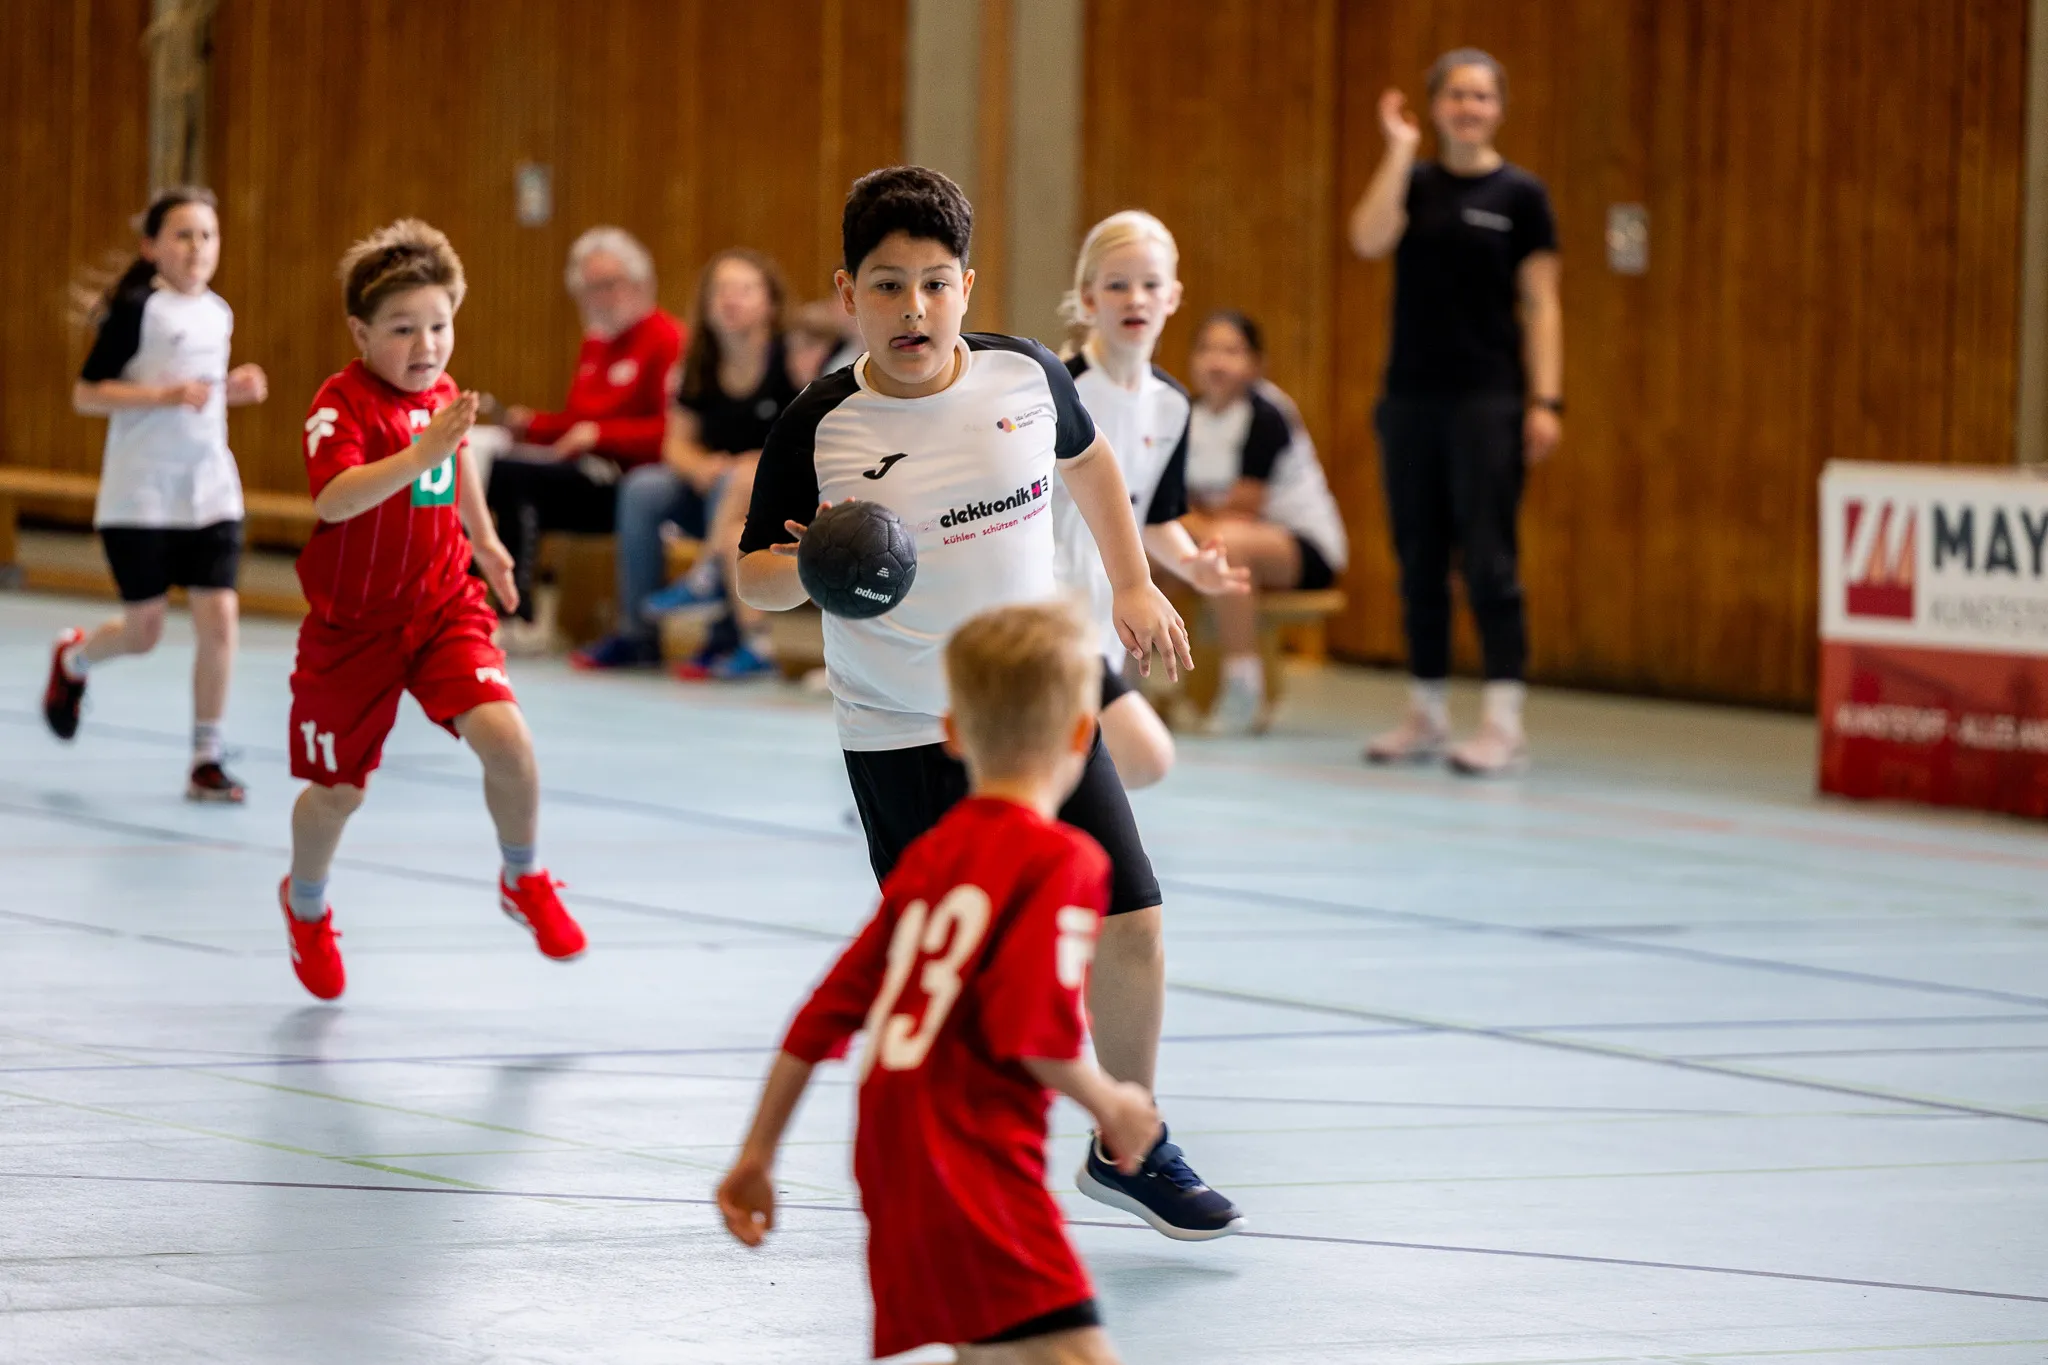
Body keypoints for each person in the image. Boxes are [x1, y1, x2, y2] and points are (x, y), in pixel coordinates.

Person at [738, 166, 1243, 1241]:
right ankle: (951, 1167)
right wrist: (817, 565)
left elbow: (1091, 465)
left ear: (966, 285)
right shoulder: (818, 424)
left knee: (1132, 919)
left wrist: (1134, 579)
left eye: (932, 284)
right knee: (949, 977)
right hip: (905, 730)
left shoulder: (1023, 377)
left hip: (1036, 711)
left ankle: (1130, 1144)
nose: (911, 309)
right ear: (846, 293)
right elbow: (750, 578)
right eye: (885, 287)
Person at [718, 601, 1160, 1364]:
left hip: (888, 1149)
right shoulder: (1064, 859)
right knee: (1076, 1352)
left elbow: (817, 1020)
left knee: (984, 1346)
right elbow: (1030, 1026)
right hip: (974, 1151)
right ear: (1083, 737)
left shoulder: (927, 861)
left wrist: (757, 1153)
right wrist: (1112, 1101)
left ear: (952, 732)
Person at [279, 219, 586, 1001]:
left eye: (440, 326)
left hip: (442, 605)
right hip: (354, 631)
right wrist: (417, 454)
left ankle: (524, 876)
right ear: (360, 331)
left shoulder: (443, 394)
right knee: (338, 794)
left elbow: (454, 463)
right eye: (403, 329)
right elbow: (336, 498)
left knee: (509, 741)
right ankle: (305, 905)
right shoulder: (339, 406)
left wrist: (484, 542)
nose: (426, 346)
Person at [1348, 48, 1562, 775]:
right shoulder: (1412, 183)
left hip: (1489, 400)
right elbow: (1367, 237)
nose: (1468, 107)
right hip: (1410, 399)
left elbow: (1542, 303)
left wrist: (1546, 399)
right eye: (1455, 96)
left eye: (1481, 96)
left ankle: (1504, 719)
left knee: (1491, 559)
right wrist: (1399, 150)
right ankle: (1427, 711)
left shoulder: (1521, 197)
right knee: (1419, 558)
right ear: (1435, 106)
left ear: (1499, 107)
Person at [46, 186, 268, 802]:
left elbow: (202, 390)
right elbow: (87, 393)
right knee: (145, 633)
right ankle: (74, 660)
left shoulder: (219, 313)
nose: (197, 247)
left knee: (219, 617)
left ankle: (207, 756)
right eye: (183, 234)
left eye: (208, 235)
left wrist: (232, 387)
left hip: (210, 489)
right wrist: (162, 397)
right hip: (141, 492)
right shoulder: (139, 309)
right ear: (152, 246)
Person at [1055, 211, 1247, 787]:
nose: (1134, 298)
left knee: (1081, 769)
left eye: (1150, 284)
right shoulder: (1059, 389)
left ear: (1172, 297)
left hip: (1107, 616)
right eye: (1117, 284)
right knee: (1140, 757)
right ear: (1089, 298)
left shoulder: (1172, 405)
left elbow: (1152, 516)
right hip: (1049, 618)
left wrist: (1192, 564)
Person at [488, 227, 687, 654]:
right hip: (585, 474)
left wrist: (601, 434)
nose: (598, 298)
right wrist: (534, 425)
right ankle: (498, 610)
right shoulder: (597, 343)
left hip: (632, 481)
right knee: (498, 469)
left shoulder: (666, 339)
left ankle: (514, 614)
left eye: (607, 284)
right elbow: (581, 422)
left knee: (516, 479)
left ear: (640, 283)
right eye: (587, 288)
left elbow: (673, 433)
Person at [1180, 311, 1351, 734]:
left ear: (1257, 364)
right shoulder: (1184, 413)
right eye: (1207, 349)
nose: (1217, 362)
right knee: (1155, 549)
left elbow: (1241, 511)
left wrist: (1185, 520)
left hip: (1302, 549)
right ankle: (1141, 687)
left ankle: (1243, 686)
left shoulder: (1267, 414)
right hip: (1220, 535)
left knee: (1226, 544)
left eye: (1231, 351)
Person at [636, 249, 800, 681]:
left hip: (789, 489)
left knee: (742, 476)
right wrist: (700, 467)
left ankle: (713, 607)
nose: (731, 300)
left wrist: (752, 464)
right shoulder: (699, 362)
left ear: (770, 302)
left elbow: (811, 434)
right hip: (725, 493)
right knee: (646, 489)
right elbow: (676, 444)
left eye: (745, 290)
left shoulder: (791, 358)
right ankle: (638, 634)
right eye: (721, 291)